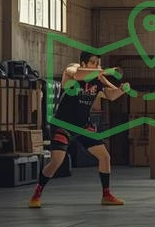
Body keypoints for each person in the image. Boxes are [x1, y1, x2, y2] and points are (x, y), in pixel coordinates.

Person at [30, 51, 126, 208]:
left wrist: (122, 89)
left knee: (104, 157)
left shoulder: (97, 79)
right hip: (63, 125)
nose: (96, 65)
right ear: (83, 63)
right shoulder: (72, 70)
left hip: (82, 126)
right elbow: (78, 75)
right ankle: (36, 194)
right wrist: (105, 71)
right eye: (93, 62)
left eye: (98, 62)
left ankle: (106, 195)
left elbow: (111, 96)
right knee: (56, 162)